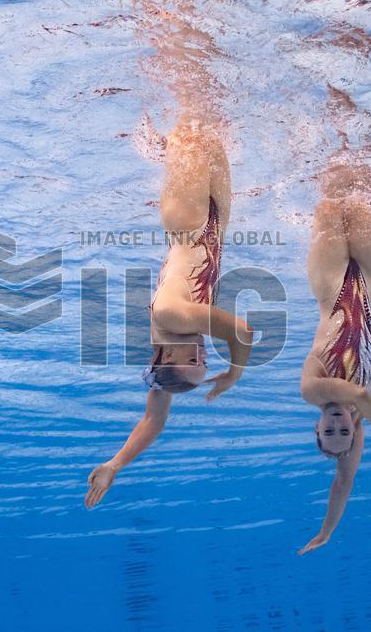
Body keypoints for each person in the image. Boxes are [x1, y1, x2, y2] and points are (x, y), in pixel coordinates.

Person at [84, 115, 254, 509]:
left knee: (193, 114)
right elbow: (154, 420)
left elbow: (242, 331)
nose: (203, 350)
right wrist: (115, 464)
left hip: (190, 219)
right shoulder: (170, 332)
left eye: (193, 356)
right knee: (208, 121)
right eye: (205, 359)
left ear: (163, 354)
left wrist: (234, 371)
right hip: (210, 223)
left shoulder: (172, 317)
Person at [297, 131, 371, 554]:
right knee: (358, 189)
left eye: (331, 430)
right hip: (369, 286)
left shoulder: (312, 391)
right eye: (346, 430)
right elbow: (343, 483)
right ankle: (357, 123)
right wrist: (326, 533)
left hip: (330, 284)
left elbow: (358, 391)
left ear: (318, 427)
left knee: (331, 194)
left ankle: (321, 124)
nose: (339, 422)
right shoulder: (358, 420)